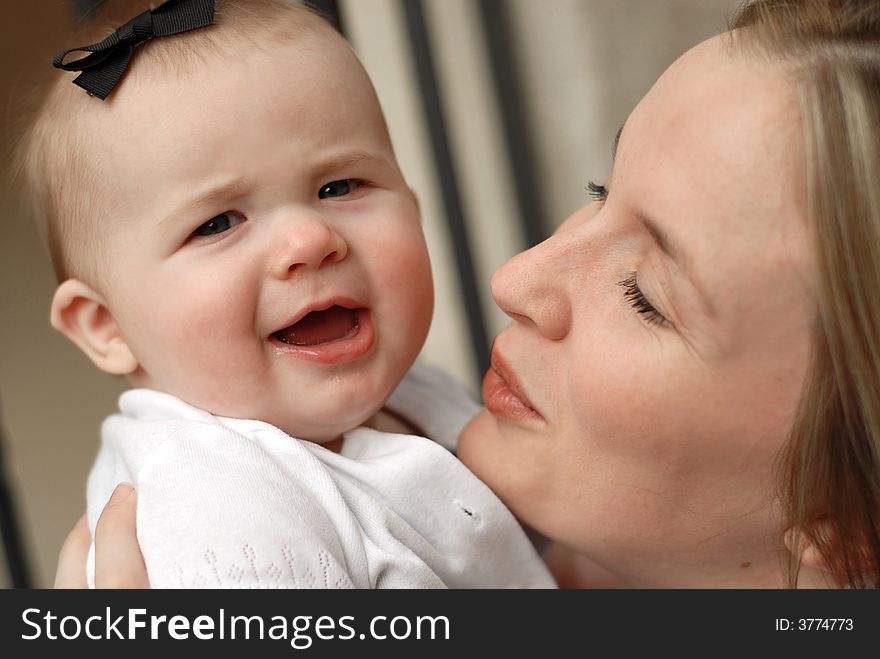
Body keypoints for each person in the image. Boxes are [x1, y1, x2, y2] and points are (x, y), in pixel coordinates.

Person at [57, 0, 880, 589]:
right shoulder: (214, 512)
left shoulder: (402, 407)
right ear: (101, 324)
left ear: (851, 532)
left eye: (645, 295)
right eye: (600, 189)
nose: (514, 277)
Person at [16, 0, 554, 588]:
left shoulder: (414, 394)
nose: (310, 239)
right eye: (219, 223)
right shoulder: (217, 504)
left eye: (339, 185)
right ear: (107, 326)